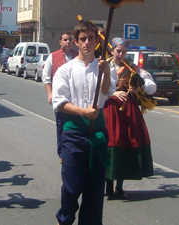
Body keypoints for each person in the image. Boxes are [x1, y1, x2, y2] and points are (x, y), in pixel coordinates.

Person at [52, 21, 116, 225]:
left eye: (91, 38)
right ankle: (65, 220)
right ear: (77, 42)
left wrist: (105, 72)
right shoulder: (65, 69)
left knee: (95, 191)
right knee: (72, 187)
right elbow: (60, 103)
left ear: (98, 42)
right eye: (83, 39)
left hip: (97, 133)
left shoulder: (104, 67)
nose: (87, 42)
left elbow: (106, 92)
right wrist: (83, 112)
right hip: (73, 134)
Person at [103, 37, 156, 199]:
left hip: (128, 112)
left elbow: (151, 87)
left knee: (126, 143)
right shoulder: (104, 65)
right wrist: (112, 93)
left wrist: (139, 86)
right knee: (110, 143)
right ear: (112, 51)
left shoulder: (133, 69)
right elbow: (94, 86)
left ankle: (119, 185)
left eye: (124, 52)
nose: (120, 54)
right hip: (109, 109)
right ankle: (108, 185)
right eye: (118, 51)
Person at [42, 31, 79, 163]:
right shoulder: (53, 57)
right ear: (60, 42)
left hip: (75, 98)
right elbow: (46, 77)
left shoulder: (77, 56)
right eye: (65, 40)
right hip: (60, 97)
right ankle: (62, 153)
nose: (68, 42)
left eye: (70, 40)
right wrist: (50, 94)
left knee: (74, 124)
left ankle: (74, 149)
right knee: (61, 125)